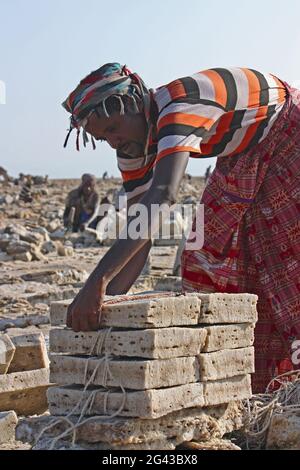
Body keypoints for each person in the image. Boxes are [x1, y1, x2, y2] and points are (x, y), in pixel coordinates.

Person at [62, 63, 300, 393]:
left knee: (283, 253)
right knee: (208, 254)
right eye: (104, 138)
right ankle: (258, 380)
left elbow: (164, 194)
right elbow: (140, 232)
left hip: (288, 129)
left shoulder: (179, 106)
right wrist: (106, 307)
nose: (114, 142)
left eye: (115, 128)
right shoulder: (134, 146)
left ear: (134, 104)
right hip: (243, 152)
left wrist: (96, 282)